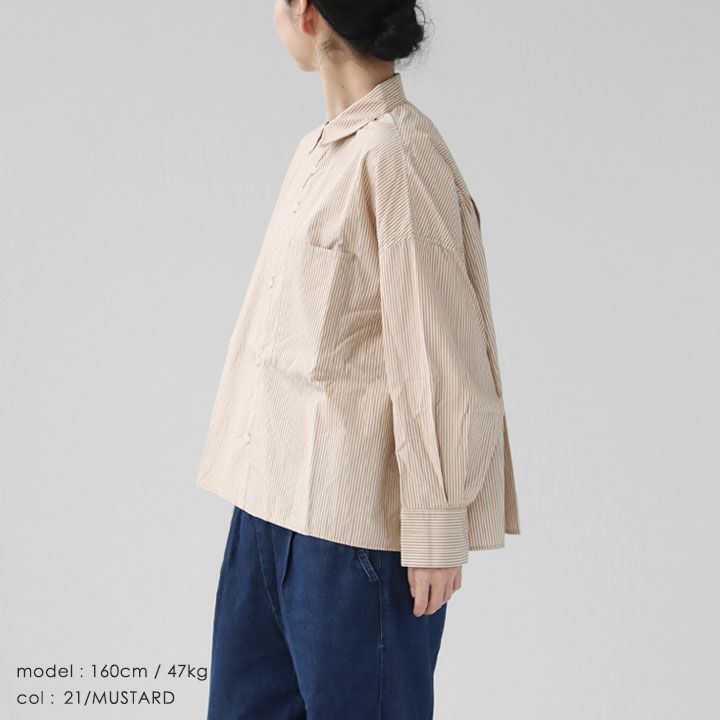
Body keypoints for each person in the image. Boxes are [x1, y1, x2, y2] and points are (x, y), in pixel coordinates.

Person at [197, 2, 520, 718]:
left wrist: (435, 525)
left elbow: (436, 346)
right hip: (265, 512)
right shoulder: (318, 151)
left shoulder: (400, 155)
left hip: (353, 538)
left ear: (308, 13)